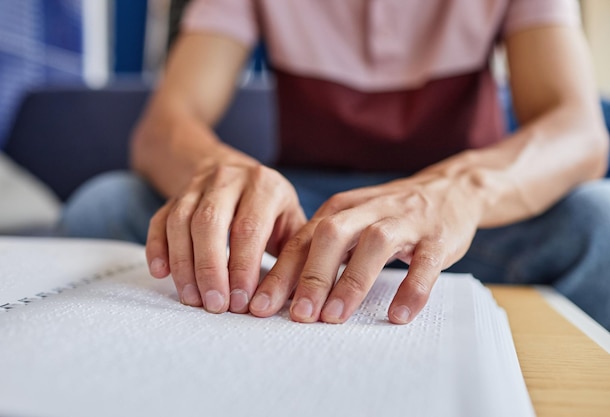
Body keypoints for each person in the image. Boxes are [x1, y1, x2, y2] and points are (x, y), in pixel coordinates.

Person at [62, 0, 610, 330]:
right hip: (307, 212)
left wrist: (455, 190)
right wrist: (219, 167)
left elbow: (579, 131)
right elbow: (164, 126)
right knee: (104, 206)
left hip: (466, 222)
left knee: (601, 218)